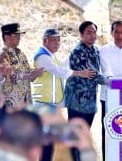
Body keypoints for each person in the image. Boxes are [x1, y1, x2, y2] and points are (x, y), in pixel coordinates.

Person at [32, 28, 95, 161]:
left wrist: (76, 50)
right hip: (44, 104)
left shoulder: (52, 56)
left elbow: (63, 66)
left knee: (50, 143)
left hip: (52, 105)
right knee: (46, 143)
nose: (57, 43)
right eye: (53, 40)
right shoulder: (42, 56)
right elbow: (58, 71)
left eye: (59, 40)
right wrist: (79, 73)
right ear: (45, 40)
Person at [64, 21, 106, 161]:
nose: (93, 35)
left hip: (89, 102)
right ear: (81, 35)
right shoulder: (78, 52)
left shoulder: (95, 50)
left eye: (94, 32)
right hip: (77, 102)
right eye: (89, 32)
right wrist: (111, 81)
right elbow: (92, 73)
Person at [99, 20, 122, 160]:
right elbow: (106, 71)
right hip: (109, 97)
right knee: (109, 129)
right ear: (111, 33)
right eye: (116, 32)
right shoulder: (103, 50)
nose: (119, 35)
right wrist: (116, 81)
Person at [0, 23, 43, 110]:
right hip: (11, 103)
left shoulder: (21, 54)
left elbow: (29, 75)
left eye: (19, 35)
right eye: (16, 35)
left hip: (25, 101)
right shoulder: (3, 56)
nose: (19, 38)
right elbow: (12, 77)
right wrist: (31, 75)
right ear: (6, 37)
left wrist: (36, 73)